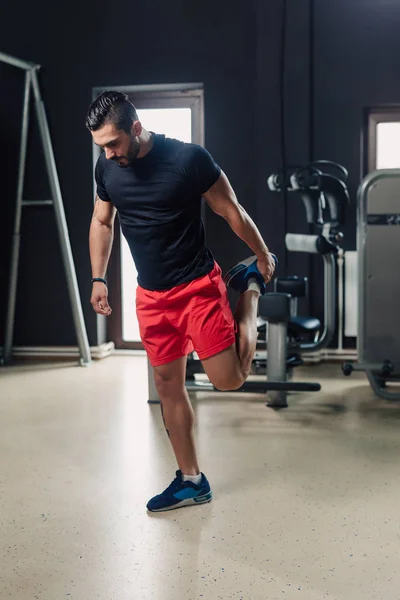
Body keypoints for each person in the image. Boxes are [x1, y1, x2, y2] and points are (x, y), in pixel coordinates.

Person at [86, 91, 276, 513]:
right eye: (101, 146)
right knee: (167, 385)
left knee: (229, 379)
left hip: (197, 288)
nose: (109, 153)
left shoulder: (189, 160)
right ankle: (191, 480)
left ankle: (248, 290)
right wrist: (98, 277)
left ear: (136, 128)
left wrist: (261, 256)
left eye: (114, 143)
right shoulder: (108, 167)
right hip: (152, 297)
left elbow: (232, 210)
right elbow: (102, 220)